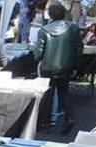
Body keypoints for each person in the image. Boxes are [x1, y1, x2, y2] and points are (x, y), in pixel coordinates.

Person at [34, 3, 82, 133]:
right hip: (66, 66)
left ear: (50, 15)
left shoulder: (44, 31)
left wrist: (38, 59)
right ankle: (69, 117)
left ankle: (46, 124)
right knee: (64, 93)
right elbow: (78, 48)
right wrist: (76, 66)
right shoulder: (73, 28)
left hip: (48, 67)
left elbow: (38, 53)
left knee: (48, 94)